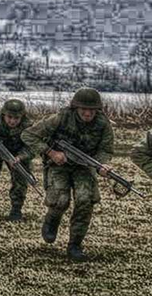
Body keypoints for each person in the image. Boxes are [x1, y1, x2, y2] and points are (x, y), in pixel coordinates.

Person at [21, 87, 114, 262]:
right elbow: (28, 135)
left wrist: (102, 165)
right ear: (76, 108)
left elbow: (105, 149)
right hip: (58, 165)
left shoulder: (103, 124)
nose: (88, 113)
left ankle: (75, 245)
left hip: (85, 167)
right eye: (84, 109)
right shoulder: (61, 118)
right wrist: (51, 152)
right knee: (60, 200)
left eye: (92, 110)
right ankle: (52, 220)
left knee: (85, 200)